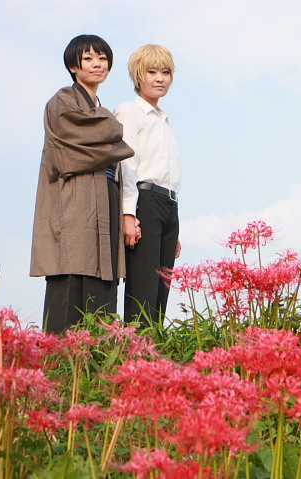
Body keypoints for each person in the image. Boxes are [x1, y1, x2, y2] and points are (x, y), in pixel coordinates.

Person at [30, 35, 135, 333]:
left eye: (102, 59)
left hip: (106, 194)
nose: (97, 64)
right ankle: (60, 357)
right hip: (75, 198)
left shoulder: (98, 106)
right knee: (71, 270)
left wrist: (110, 142)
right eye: (88, 58)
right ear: (73, 66)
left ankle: (96, 357)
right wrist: (112, 133)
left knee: (103, 276)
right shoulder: (64, 100)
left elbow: (111, 144)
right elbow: (73, 150)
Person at [114, 45, 182, 323]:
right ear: (137, 76)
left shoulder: (164, 119)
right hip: (145, 202)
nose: (160, 78)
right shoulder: (129, 111)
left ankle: (155, 347)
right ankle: (135, 348)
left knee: (161, 291)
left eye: (165, 72)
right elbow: (127, 164)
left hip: (169, 205)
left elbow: (169, 173)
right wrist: (128, 214)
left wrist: (172, 223)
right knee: (143, 289)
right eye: (152, 72)